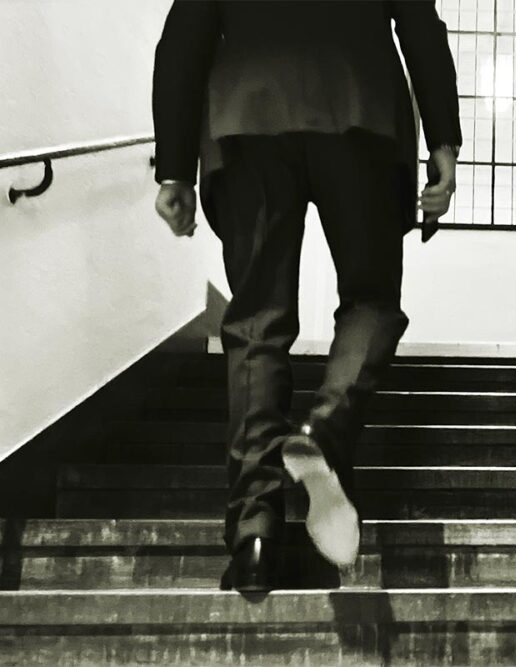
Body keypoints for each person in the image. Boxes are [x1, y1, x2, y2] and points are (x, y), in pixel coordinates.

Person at [151, 0, 461, 594]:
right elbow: (420, 23)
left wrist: (174, 169)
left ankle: (255, 533)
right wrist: (443, 143)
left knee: (254, 324)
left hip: (244, 112)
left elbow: (185, 35)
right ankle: (326, 428)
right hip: (361, 106)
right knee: (371, 299)